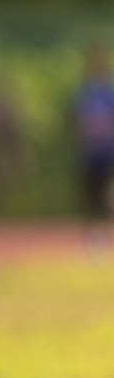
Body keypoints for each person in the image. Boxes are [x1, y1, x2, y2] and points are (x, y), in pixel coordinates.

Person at [74, 42, 114, 245]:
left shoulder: (109, 93)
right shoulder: (85, 92)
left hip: (108, 153)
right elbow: (80, 121)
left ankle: (106, 234)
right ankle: (92, 236)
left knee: (107, 195)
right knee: (91, 197)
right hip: (91, 154)